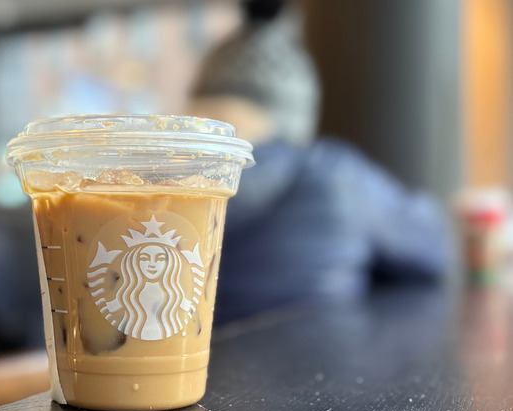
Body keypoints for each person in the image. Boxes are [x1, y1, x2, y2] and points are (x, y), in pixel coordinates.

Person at [187, 0, 454, 324]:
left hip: (193, 370)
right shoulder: (336, 172)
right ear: (296, 115)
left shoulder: (157, 189)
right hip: (322, 367)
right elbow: (433, 250)